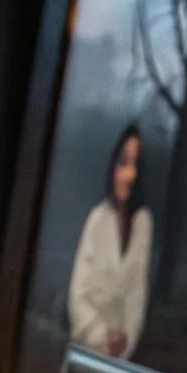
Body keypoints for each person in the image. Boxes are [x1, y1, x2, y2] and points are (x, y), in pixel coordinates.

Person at [68, 124, 153, 359]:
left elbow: (137, 295)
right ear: (113, 166)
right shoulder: (97, 219)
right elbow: (77, 297)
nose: (129, 175)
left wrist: (124, 345)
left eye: (136, 165)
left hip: (121, 361)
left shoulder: (143, 223)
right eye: (124, 163)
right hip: (88, 351)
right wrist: (103, 337)